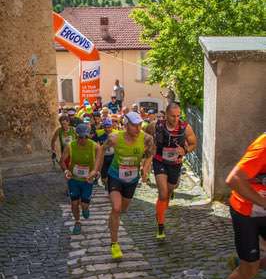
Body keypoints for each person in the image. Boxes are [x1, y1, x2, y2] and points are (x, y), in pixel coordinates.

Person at [104, 111, 154, 259]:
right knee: (116, 207)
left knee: (123, 209)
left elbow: (151, 153)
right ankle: (114, 244)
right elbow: (101, 149)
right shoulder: (114, 137)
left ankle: (113, 218)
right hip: (115, 176)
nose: (138, 128)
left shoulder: (147, 138)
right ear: (126, 125)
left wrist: (145, 169)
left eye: (139, 125)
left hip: (132, 180)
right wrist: (95, 169)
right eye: (134, 125)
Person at [222, 132, 266, 279]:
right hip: (246, 211)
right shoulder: (264, 146)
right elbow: (233, 180)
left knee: (251, 265)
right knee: (249, 270)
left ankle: (244, 262)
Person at [146, 102, 197, 239]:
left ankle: (163, 205)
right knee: (163, 193)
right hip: (160, 161)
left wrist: (185, 150)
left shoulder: (185, 127)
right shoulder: (157, 125)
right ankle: (160, 226)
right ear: (166, 115)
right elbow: (145, 136)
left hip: (175, 163)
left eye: (178, 115)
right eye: (173, 116)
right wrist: (150, 147)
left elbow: (193, 143)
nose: (176, 119)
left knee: (168, 191)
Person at [60, 123, 103, 235]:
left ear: (88, 136)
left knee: (84, 204)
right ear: (76, 135)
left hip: (87, 180)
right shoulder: (70, 146)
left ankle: (85, 209)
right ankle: (77, 222)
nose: (82, 139)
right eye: (80, 137)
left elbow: (98, 162)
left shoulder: (95, 146)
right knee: (74, 203)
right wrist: (66, 170)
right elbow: (62, 161)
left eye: (85, 137)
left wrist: (96, 172)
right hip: (73, 179)